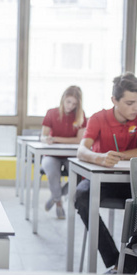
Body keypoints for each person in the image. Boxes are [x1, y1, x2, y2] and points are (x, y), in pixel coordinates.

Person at [75, 72, 137, 274]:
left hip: (131, 182)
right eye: (129, 103)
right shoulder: (98, 118)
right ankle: (115, 260)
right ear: (114, 100)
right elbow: (81, 150)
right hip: (103, 181)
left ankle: (128, 264)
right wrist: (99, 158)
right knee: (82, 196)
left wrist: (118, 156)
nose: (135, 108)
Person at [41, 86, 87, 219]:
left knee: (79, 177)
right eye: (68, 102)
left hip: (71, 156)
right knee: (52, 173)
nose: (70, 106)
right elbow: (43, 136)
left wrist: (55, 139)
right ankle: (59, 204)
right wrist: (47, 139)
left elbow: (79, 140)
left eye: (74, 104)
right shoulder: (51, 112)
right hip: (51, 154)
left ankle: (55, 197)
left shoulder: (80, 115)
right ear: (63, 99)